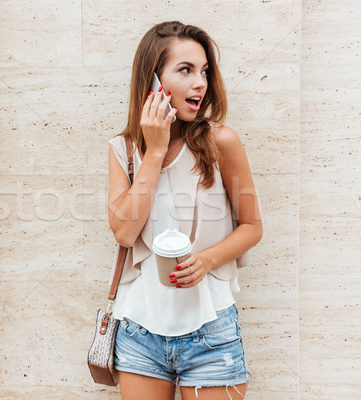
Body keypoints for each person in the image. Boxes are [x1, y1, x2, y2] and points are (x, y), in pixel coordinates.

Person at [107, 21, 263, 400]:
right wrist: (155, 150)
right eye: (185, 70)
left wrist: (207, 260)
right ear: (153, 83)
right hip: (140, 334)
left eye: (204, 71)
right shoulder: (123, 150)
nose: (200, 83)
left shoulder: (220, 142)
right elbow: (125, 233)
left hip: (211, 332)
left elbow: (252, 227)